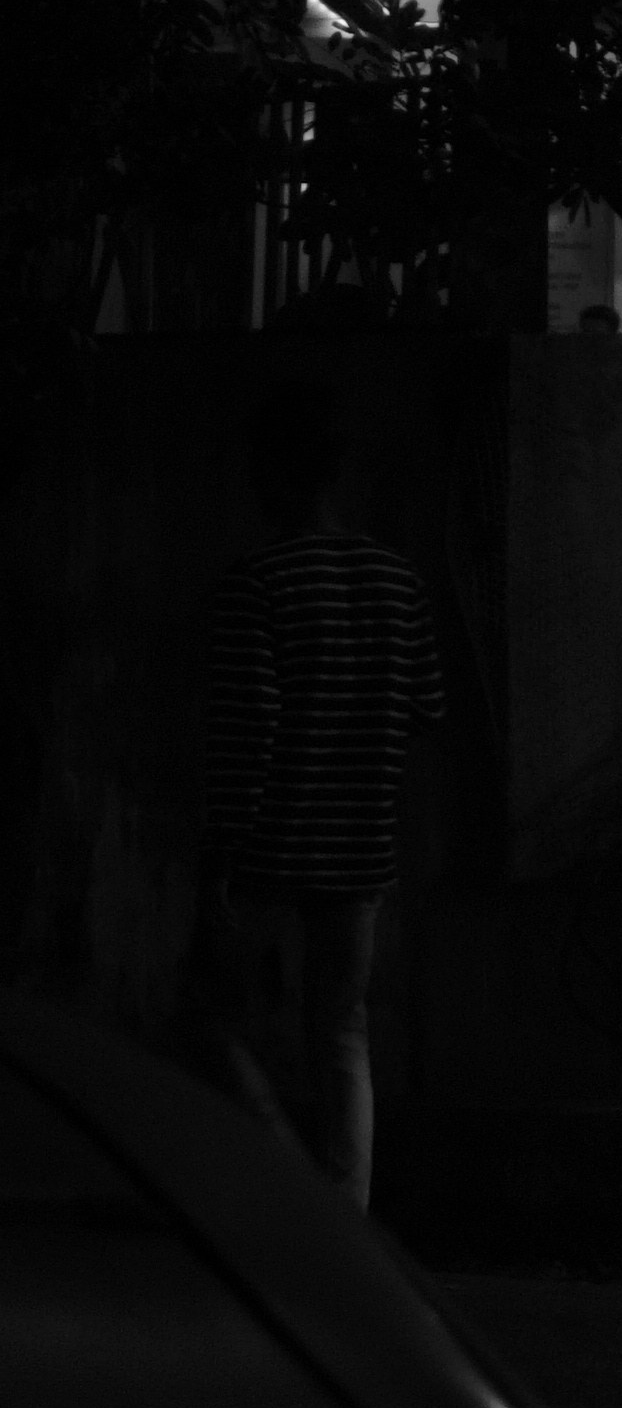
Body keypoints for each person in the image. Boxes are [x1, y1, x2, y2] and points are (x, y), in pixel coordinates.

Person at [192, 392, 456, 1203]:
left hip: (271, 848)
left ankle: (269, 1197)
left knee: (219, 1028)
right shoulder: (396, 578)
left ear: (269, 477)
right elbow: (427, 708)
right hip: (362, 849)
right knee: (342, 1035)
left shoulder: (258, 582)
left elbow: (251, 733)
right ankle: (345, 1216)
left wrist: (222, 862)